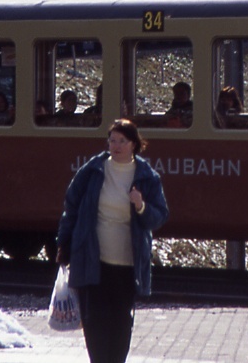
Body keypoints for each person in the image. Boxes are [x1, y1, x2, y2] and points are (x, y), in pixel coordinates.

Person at [55, 119, 169, 363]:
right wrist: (63, 243)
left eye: (122, 141)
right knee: (94, 322)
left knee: (120, 323)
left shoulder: (147, 177)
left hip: (128, 264)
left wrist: (140, 205)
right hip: (94, 259)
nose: (116, 146)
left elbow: (159, 217)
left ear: (134, 145)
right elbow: (71, 207)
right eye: (112, 140)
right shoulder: (93, 170)